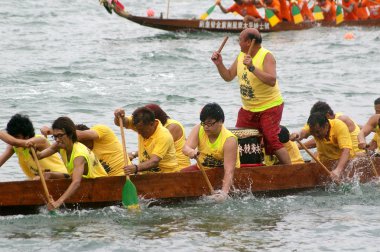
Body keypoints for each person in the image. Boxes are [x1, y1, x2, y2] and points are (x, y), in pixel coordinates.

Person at [211, 28, 291, 165]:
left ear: (249, 42)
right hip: (248, 109)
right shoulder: (241, 56)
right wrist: (219, 64)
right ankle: (247, 167)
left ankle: (291, 171)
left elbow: (272, 80)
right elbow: (229, 76)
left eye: (240, 40)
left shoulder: (266, 56)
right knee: (236, 138)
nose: (238, 43)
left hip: (270, 107)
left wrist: (252, 67)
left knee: (271, 139)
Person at [33, 117, 108, 210]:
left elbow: (76, 182)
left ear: (71, 134)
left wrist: (58, 203)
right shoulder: (59, 145)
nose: (57, 140)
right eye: (55, 136)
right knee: (47, 175)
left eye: (60, 136)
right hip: (80, 179)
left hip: (100, 185)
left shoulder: (79, 154)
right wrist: (32, 148)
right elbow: (39, 156)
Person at [182, 103, 240, 202]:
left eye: (210, 124)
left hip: (222, 171)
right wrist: (190, 151)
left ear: (221, 121)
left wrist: (224, 193)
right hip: (203, 169)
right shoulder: (199, 128)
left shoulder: (229, 139)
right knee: (181, 175)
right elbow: (185, 148)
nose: (205, 127)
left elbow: (229, 170)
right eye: (203, 123)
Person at [40, 124, 127, 176]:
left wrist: (52, 131)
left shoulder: (102, 131)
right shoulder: (79, 153)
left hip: (123, 176)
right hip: (101, 182)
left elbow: (78, 135)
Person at [114, 106, 180, 174]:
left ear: (152, 124)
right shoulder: (138, 122)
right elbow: (120, 122)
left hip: (167, 175)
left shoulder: (163, 135)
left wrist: (136, 168)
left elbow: (154, 161)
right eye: (137, 129)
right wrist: (118, 116)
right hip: (146, 174)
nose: (139, 133)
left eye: (142, 130)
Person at [0, 114, 67, 180]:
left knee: (38, 179)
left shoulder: (39, 140)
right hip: (38, 181)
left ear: (27, 136)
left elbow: (14, 141)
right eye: (11, 136)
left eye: (17, 136)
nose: (13, 139)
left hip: (61, 177)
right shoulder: (14, 147)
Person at [291, 101, 364, 156]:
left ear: (328, 115)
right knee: (318, 154)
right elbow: (304, 132)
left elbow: (317, 139)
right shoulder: (317, 122)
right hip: (336, 152)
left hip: (355, 154)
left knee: (317, 154)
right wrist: (297, 135)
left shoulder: (341, 120)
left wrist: (297, 147)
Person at [304, 112, 354, 180]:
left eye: (318, 132)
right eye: (313, 133)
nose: (315, 135)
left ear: (326, 125)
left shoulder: (339, 126)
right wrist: (297, 135)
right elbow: (302, 133)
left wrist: (338, 170)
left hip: (342, 162)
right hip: (324, 162)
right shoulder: (312, 126)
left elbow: (346, 150)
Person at [144, 104, 190, 169]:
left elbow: (156, 147)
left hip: (178, 166)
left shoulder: (172, 127)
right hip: (163, 164)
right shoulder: (157, 128)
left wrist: (134, 154)